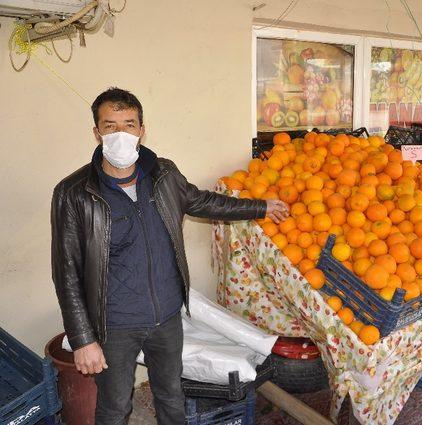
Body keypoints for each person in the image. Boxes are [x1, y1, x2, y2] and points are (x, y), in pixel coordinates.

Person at [51, 87, 289, 424]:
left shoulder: (163, 175)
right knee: (115, 407)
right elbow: (66, 272)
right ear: (96, 133)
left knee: (171, 399)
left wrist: (261, 207)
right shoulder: (74, 193)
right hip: (114, 324)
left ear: (142, 130)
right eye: (110, 126)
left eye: (129, 125)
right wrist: (82, 339)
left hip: (166, 316)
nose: (121, 134)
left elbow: (205, 201)